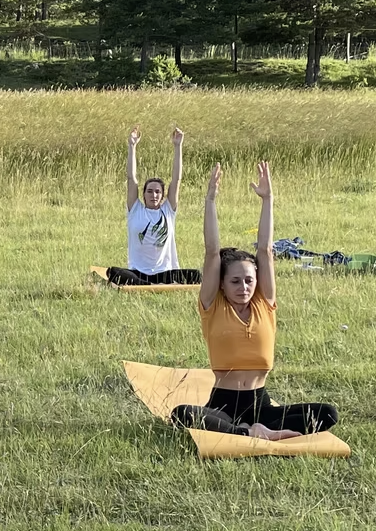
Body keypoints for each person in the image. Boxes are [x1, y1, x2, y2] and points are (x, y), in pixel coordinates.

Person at [169, 162, 338, 441]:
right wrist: (210, 200)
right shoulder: (213, 305)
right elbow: (212, 252)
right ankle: (249, 432)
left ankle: (256, 430)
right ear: (222, 283)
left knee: (327, 413)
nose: (244, 287)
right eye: (235, 281)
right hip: (224, 404)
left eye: (249, 280)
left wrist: (268, 200)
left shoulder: (264, 303)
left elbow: (265, 249)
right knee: (182, 414)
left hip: (262, 404)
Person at [108, 127, 200, 286]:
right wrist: (132, 146)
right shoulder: (135, 210)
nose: (154, 195)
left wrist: (178, 146)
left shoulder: (168, 211)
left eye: (158, 192)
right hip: (138, 271)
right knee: (113, 272)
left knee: (196, 275)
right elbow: (131, 179)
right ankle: (146, 284)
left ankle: (147, 285)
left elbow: (176, 180)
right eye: (149, 191)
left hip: (165, 272)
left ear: (163, 195)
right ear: (143, 195)